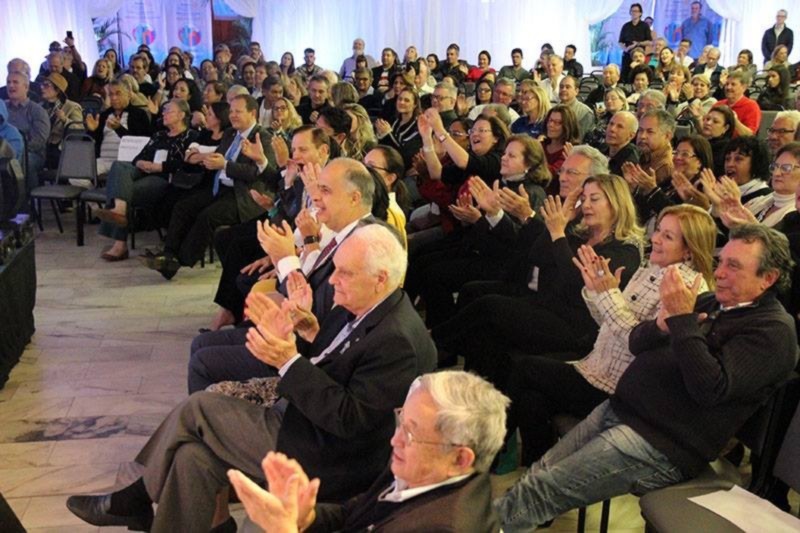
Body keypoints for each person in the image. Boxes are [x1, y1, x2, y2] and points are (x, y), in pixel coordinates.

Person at [67, 221, 437, 532]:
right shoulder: (361, 304)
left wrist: (287, 360)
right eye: (336, 268)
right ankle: (164, 512)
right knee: (192, 459)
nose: (334, 280)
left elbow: (350, 419)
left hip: (327, 454)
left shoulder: (397, 340)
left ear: (380, 278)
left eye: (344, 273)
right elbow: (334, 361)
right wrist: (305, 335)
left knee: (199, 408)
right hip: (301, 422)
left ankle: (133, 497)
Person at [495, 223, 798, 531]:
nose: (719, 273)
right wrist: (661, 326)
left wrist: (682, 321)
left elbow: (710, 389)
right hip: (622, 409)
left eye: (734, 266)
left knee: (540, 491)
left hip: (662, 443)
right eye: (721, 262)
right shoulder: (711, 303)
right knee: (540, 472)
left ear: (768, 278)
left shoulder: (773, 332)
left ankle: (482, 524)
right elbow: (637, 343)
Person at [506, 204, 715, 465]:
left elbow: (636, 342)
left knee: (525, 368)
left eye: (667, 236)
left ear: (689, 250)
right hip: (598, 367)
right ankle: (536, 472)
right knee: (531, 399)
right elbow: (608, 324)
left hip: (619, 388)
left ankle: (491, 450)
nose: (655, 238)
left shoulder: (683, 288)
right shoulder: (652, 269)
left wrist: (608, 294)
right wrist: (596, 291)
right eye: (658, 230)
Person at [432, 173, 644, 389]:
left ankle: (434, 345)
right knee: (488, 331)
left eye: (594, 199)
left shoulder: (624, 250)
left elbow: (576, 284)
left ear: (616, 203)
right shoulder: (580, 235)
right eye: (583, 199)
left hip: (576, 326)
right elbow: (538, 256)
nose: (586, 205)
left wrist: (558, 233)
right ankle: (475, 388)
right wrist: (563, 222)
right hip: (549, 307)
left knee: (490, 306)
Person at [229, 370, 507, 533]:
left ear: (460, 458)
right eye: (401, 422)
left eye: (411, 433)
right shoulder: (422, 470)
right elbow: (356, 512)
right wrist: (305, 514)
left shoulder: (441, 527)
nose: (395, 440)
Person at [141, 94, 277, 279]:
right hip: (219, 187)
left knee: (207, 216)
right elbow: (219, 156)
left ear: (253, 113)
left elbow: (258, 172)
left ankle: (178, 262)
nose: (233, 115)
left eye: (238, 111)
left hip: (244, 195)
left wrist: (225, 165)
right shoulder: (230, 134)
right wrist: (204, 158)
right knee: (183, 207)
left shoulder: (264, 138)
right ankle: (168, 254)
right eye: (231, 111)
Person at [94, 99, 198, 261]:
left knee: (120, 190)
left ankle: (120, 242)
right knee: (119, 166)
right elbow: (138, 157)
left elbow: (186, 164)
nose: (163, 114)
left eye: (168, 111)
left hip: (166, 177)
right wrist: (141, 163)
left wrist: (160, 167)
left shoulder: (191, 136)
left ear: (181, 115)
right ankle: (119, 210)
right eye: (163, 111)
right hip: (145, 171)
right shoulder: (159, 135)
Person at [708, 141, 799, 230]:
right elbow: (727, 234)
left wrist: (752, 226)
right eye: (775, 167)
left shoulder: (796, 212)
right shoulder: (760, 201)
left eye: (786, 168)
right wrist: (718, 207)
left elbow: (779, 241)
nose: (776, 173)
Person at [85, 80, 152, 175]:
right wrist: (92, 131)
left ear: (128, 94)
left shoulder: (139, 114)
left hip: (126, 163)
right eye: (111, 94)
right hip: (103, 160)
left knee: (117, 175)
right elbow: (92, 142)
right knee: (77, 175)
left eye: (118, 94)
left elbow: (141, 142)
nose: (114, 98)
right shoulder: (104, 115)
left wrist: (119, 129)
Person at [4, 71, 50, 193]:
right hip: (3, 151)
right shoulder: (2, 108)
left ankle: (27, 199)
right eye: (8, 82)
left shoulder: (37, 111)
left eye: (15, 82)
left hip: (31, 153)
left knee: (24, 161)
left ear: (26, 87)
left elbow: (39, 140)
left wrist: (16, 150)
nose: (11, 86)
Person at [39, 73, 83, 169]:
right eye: (42, 84)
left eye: (46, 85)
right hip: (41, 146)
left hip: (59, 148)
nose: (42, 88)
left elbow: (79, 130)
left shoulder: (72, 107)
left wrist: (64, 119)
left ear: (57, 90)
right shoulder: (40, 107)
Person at [713, 71, 762, 135]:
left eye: (733, 84)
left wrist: (735, 122)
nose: (728, 87)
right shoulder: (718, 105)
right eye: (727, 84)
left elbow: (750, 135)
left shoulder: (751, 106)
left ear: (743, 87)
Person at [619, 3, 652, 80]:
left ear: (640, 13)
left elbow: (649, 42)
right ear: (630, 12)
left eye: (636, 11)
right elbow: (620, 42)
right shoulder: (626, 26)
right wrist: (625, 49)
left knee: (639, 75)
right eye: (632, 11)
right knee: (625, 76)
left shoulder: (644, 26)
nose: (634, 13)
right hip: (627, 55)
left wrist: (638, 43)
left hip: (639, 56)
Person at [602, 110, 640, 176]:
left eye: (620, 126)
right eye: (611, 124)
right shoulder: (602, 148)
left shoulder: (630, 163)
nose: (612, 129)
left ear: (631, 135)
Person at [558, 76, 594, 141]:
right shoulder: (554, 109)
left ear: (576, 91)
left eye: (567, 87)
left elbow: (579, 139)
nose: (563, 89)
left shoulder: (585, 112)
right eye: (561, 87)